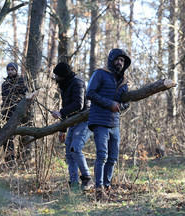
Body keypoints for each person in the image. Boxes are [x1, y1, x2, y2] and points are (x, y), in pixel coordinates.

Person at [86, 48, 131, 200]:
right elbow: (90, 93)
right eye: (117, 59)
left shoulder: (124, 80)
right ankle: (99, 191)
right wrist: (109, 104)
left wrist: (119, 106)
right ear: (111, 59)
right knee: (102, 156)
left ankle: (107, 187)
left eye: (122, 60)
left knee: (112, 157)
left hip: (115, 123)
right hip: (99, 120)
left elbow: (126, 102)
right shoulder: (100, 73)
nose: (120, 62)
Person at [51, 62, 93, 191]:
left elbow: (78, 105)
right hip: (72, 123)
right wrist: (62, 129)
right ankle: (74, 184)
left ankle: (87, 178)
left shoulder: (78, 83)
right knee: (69, 154)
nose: (55, 77)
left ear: (62, 75)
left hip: (84, 121)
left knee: (75, 149)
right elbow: (65, 107)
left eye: (57, 75)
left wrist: (61, 113)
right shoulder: (64, 85)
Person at [1, 62, 28, 162]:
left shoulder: (21, 82)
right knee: (6, 137)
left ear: (16, 70)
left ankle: (22, 159)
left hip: (19, 113)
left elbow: (26, 97)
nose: (10, 72)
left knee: (23, 135)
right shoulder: (4, 84)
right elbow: (3, 99)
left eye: (12, 70)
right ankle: (9, 161)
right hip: (6, 113)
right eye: (8, 70)